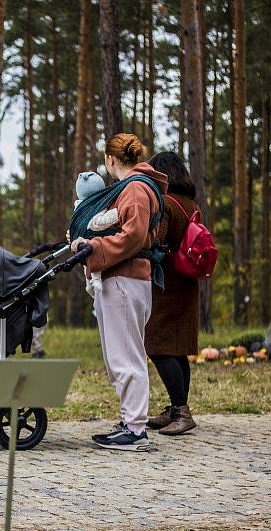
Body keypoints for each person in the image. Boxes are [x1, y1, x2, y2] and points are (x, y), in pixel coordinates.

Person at [70, 133, 168, 451]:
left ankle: (135, 428)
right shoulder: (134, 187)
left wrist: (93, 246)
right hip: (122, 278)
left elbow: (133, 236)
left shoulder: (136, 188)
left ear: (111, 160)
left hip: (125, 279)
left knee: (126, 355)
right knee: (120, 353)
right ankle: (130, 420)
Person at [144, 151, 200, 435]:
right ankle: (177, 407)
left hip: (167, 286)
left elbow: (158, 241)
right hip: (188, 282)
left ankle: (182, 411)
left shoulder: (165, 203)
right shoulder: (191, 203)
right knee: (177, 349)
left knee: (157, 345)